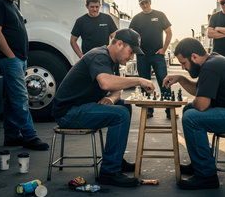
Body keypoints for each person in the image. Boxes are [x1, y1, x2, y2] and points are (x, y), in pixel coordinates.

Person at [51, 28, 155, 187]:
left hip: (82, 107)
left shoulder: (110, 60)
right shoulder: (99, 56)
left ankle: (116, 161)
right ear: (119, 44)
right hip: (68, 113)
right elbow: (106, 82)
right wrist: (139, 80)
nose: (132, 57)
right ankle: (109, 172)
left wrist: (112, 99)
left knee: (124, 107)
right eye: (131, 51)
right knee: (120, 115)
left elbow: (116, 90)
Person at [163, 38, 225, 190]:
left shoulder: (211, 67)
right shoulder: (212, 61)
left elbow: (202, 105)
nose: (183, 68)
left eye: (184, 63)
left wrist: (197, 101)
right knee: (188, 109)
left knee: (191, 118)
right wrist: (181, 79)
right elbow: (200, 90)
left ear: (194, 57)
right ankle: (200, 164)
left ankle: (206, 176)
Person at [0, 0, 49, 150]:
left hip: (19, 59)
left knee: (11, 99)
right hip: (9, 59)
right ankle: (30, 137)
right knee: (21, 98)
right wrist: (12, 56)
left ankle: (12, 136)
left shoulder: (12, 6)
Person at [129, 0, 172, 118]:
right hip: (142, 56)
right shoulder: (136, 18)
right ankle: (148, 110)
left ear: (150, 2)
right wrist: (134, 51)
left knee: (164, 82)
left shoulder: (160, 15)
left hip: (157, 55)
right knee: (144, 82)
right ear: (139, 5)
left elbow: (169, 33)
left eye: (146, 2)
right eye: (142, 3)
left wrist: (164, 49)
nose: (145, 5)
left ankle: (169, 110)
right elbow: (131, 36)